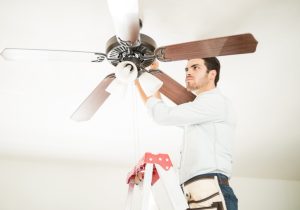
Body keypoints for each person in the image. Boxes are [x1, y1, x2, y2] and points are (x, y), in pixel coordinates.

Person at [134, 58, 238, 210]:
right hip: (197, 194)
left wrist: (139, 80)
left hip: (210, 192)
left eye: (195, 67)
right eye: (187, 69)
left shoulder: (215, 102)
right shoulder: (200, 111)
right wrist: (143, 81)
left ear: (212, 74)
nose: (188, 72)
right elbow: (161, 113)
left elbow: (162, 116)